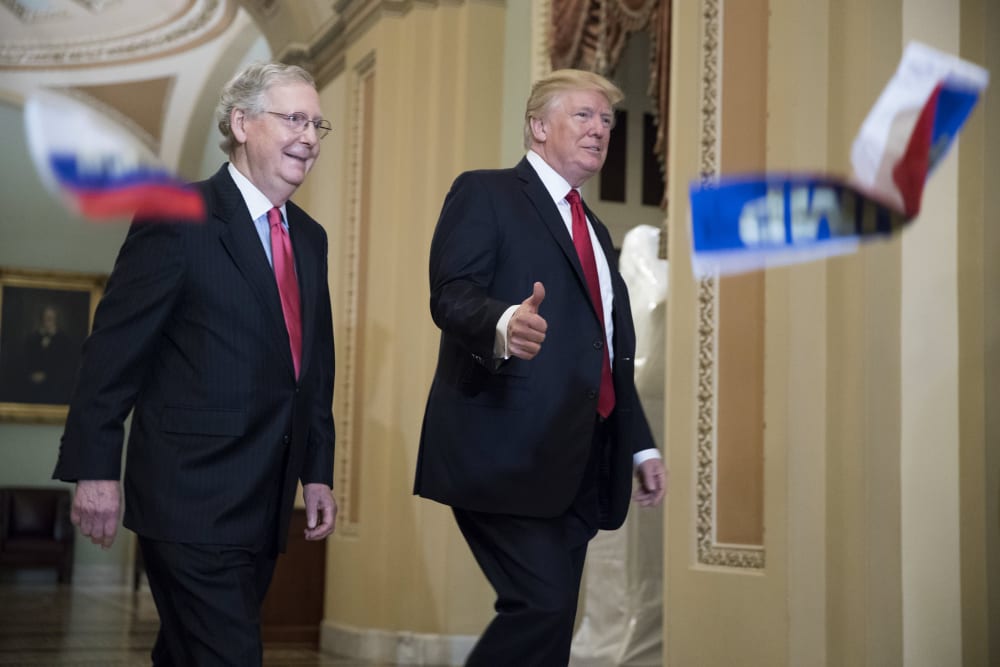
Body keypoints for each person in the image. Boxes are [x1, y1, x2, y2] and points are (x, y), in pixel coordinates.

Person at [52, 62, 337, 666]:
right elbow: (113, 351)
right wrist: (95, 467)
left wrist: (317, 469)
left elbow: (312, 366)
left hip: (262, 503)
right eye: (293, 118)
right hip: (189, 498)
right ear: (241, 123)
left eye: (317, 123)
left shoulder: (309, 237)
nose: (309, 137)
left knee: (187, 654)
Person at [414, 68, 668, 666]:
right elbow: (451, 295)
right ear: (537, 127)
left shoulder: (598, 232)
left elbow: (609, 354)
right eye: (582, 115)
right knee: (542, 607)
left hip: (580, 459)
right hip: (502, 448)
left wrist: (638, 445)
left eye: (606, 120)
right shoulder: (486, 192)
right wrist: (503, 322)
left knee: (550, 629)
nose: (599, 130)